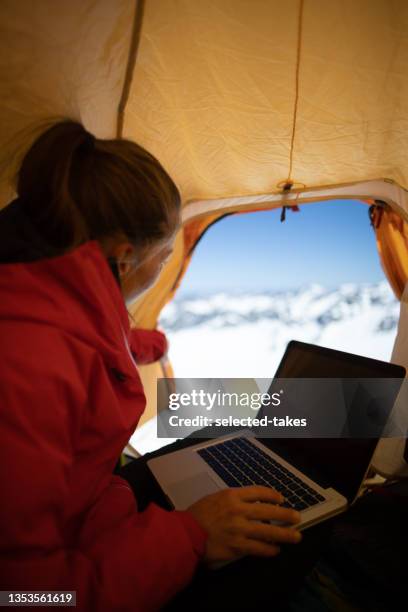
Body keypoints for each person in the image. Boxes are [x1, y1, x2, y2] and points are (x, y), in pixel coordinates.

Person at [0, 120, 303, 611]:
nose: (165, 266)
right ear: (123, 258)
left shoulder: (44, 282)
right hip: (77, 570)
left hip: (95, 507)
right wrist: (191, 537)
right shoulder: (26, 371)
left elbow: (86, 334)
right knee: (283, 546)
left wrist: (145, 344)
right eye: (165, 255)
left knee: (217, 435)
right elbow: (26, 596)